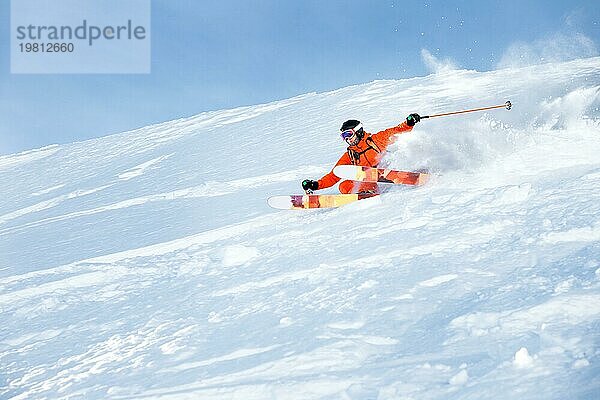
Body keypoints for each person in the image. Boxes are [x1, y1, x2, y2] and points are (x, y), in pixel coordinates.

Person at [302, 113, 421, 194]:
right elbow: (334, 175)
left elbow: (395, 131)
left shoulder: (376, 140)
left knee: (391, 158)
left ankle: (412, 172)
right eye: (344, 137)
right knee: (344, 186)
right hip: (369, 180)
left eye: (348, 134)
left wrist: (409, 123)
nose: (347, 139)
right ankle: (365, 194)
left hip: (386, 169)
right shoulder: (350, 155)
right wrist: (315, 185)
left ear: (358, 131)